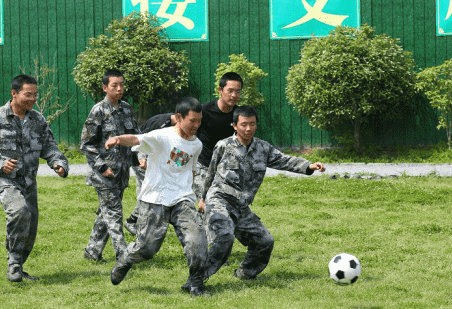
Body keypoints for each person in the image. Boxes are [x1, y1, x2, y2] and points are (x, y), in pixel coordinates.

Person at [201, 105, 325, 281]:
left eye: (252, 124)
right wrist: (202, 199)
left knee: (264, 241)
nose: (248, 128)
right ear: (235, 126)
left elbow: (285, 160)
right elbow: (210, 173)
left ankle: (245, 273)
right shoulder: (223, 146)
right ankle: (198, 279)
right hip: (220, 199)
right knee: (224, 237)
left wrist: (308, 166)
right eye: (244, 124)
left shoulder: (263, 148)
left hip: (241, 207)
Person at [0, 74, 69, 282]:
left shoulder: (38, 120)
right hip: (3, 179)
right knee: (19, 210)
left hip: (29, 182)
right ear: (14, 93)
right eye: (28, 95)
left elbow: (49, 147)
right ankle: (14, 264)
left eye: (35, 95)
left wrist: (59, 163)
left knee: (30, 225)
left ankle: (18, 267)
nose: (33, 99)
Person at [107, 97, 208, 296]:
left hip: (182, 199)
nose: (196, 125)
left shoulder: (196, 145)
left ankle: (196, 284)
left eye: (199, 121)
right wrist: (118, 139)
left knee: (197, 241)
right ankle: (125, 260)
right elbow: (137, 139)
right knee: (147, 249)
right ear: (179, 118)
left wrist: (200, 195)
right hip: (155, 198)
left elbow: (192, 171)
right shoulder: (162, 136)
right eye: (192, 121)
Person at [81, 69, 139, 262]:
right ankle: (123, 255)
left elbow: (134, 137)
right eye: (114, 85)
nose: (119, 88)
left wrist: (140, 159)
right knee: (114, 213)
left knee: (107, 212)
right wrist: (101, 167)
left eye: (122, 84)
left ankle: (92, 251)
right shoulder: (98, 110)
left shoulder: (127, 109)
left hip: (121, 173)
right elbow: (86, 144)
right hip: (104, 174)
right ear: (105, 87)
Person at [193, 72, 243, 242]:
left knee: (225, 208)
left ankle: (205, 240)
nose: (234, 95)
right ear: (220, 90)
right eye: (230, 90)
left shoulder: (238, 115)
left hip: (225, 170)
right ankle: (214, 249)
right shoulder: (204, 111)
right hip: (203, 167)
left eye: (237, 91)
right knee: (208, 206)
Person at [125, 112, 176, 235]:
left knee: (145, 191)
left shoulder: (176, 127)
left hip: (152, 159)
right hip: (139, 157)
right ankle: (134, 221)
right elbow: (142, 139)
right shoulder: (160, 123)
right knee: (151, 191)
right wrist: (142, 157)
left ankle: (137, 222)